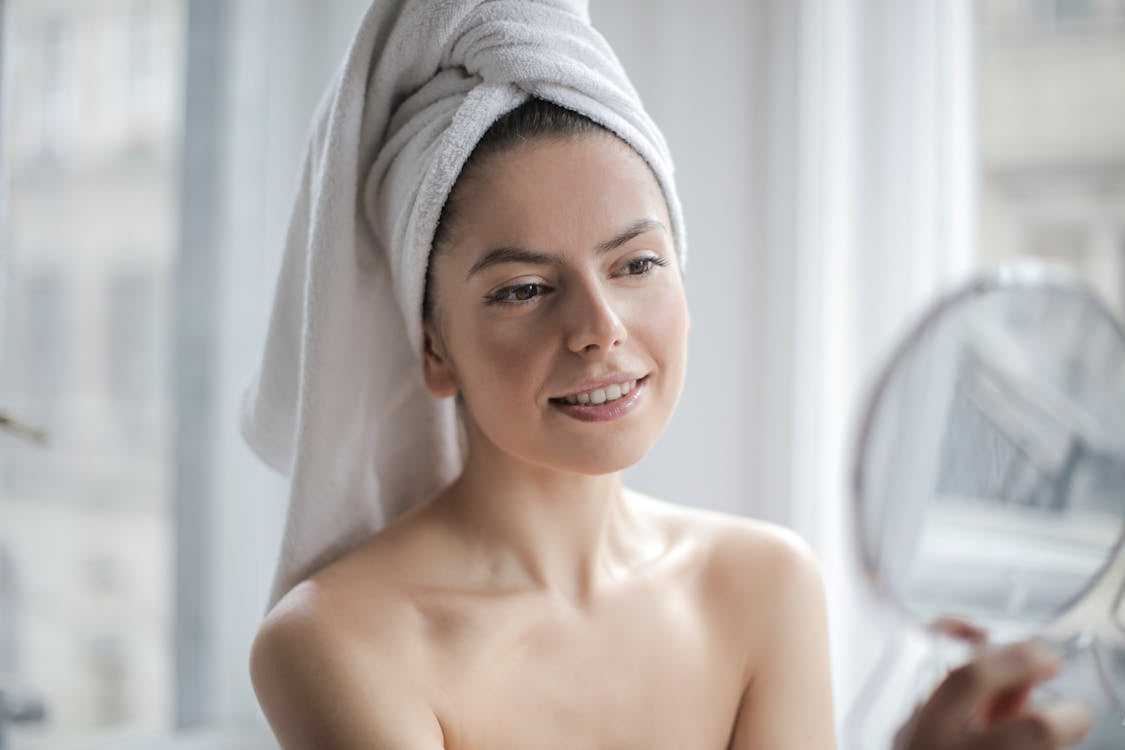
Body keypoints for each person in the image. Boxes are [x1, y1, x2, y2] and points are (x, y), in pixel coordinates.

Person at [242, 4, 1093, 749]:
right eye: (524, 289)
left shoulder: (760, 584)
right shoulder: (337, 642)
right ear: (433, 349)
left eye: (636, 264)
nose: (598, 329)